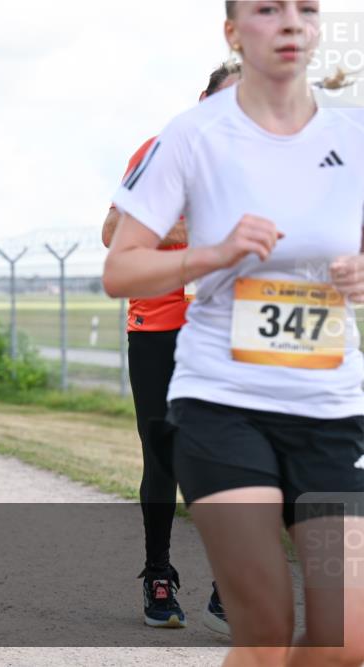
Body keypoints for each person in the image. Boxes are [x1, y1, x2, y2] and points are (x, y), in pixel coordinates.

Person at [104, 1, 363, 665]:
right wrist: (210, 253)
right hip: (224, 404)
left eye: (306, 7)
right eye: (267, 8)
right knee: (267, 633)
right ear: (232, 31)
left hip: (332, 411)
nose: (289, 21)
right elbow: (120, 266)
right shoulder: (193, 134)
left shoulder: (355, 136)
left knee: (346, 640)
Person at [102, 62, 241, 633]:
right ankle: (158, 574)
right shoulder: (161, 149)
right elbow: (114, 229)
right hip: (160, 323)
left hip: (235, 327)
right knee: (163, 455)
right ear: (202, 99)